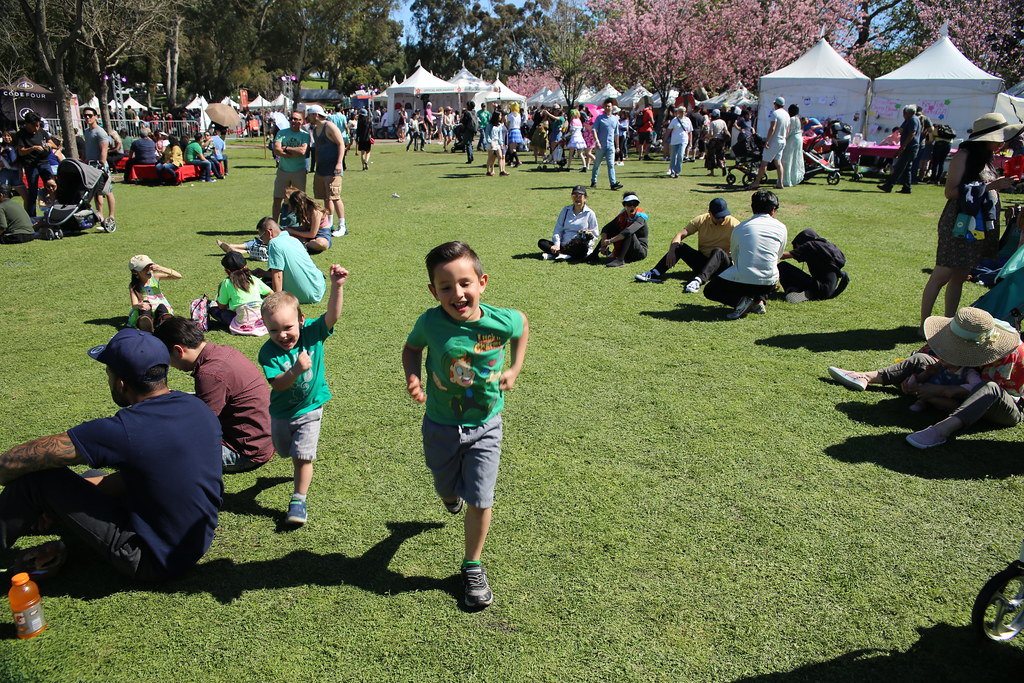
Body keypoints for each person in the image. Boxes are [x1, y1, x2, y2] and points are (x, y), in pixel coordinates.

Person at [0, 328, 222, 581]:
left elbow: (14, 461)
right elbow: (149, 479)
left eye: (108, 373)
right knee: (88, 477)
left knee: (38, 480)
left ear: (121, 383)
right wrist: (54, 503)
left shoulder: (124, 430)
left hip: (151, 558)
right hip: (191, 543)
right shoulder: (196, 408)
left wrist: (34, 490)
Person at [402, 241, 529, 608]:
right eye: (446, 287)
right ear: (433, 291)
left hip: (487, 425)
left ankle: (472, 565)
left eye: (464, 283)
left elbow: (522, 324)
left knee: (480, 496)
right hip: (440, 425)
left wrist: (515, 368)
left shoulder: (499, 320)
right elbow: (412, 348)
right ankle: (449, 496)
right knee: (445, 486)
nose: (457, 294)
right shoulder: (429, 322)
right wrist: (413, 378)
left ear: (482, 282)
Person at [827, 307, 1024, 449]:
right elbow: (929, 356)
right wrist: (915, 377)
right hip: (957, 383)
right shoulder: (962, 330)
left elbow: (988, 393)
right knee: (921, 359)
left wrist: (940, 391)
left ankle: (942, 430)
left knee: (988, 387)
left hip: (1002, 407)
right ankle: (866, 377)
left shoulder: (1008, 352)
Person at [259, 264, 348, 524]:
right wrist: (296, 370)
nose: (282, 335)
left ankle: (299, 501)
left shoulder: (311, 332)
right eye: (273, 330)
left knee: (302, 457)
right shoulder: (268, 352)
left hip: (310, 409)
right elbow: (278, 385)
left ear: (301, 320)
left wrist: (337, 286)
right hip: (281, 413)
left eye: (287, 327)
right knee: (284, 450)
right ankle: (296, 472)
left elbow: (332, 316)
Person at [919, 113, 1023, 334]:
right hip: (959, 223)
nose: (1002, 142)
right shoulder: (963, 155)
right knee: (941, 275)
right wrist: (991, 185)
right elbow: (950, 192)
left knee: (959, 276)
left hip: (976, 226)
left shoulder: (985, 157)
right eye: (999, 137)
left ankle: (949, 324)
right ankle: (923, 324)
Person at [154, 317, 275, 473]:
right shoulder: (222, 352)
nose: (171, 366)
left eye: (168, 359)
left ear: (178, 350)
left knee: (166, 452)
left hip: (246, 451)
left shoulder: (210, 374)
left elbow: (200, 426)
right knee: (178, 399)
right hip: (264, 438)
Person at [703, 190, 787, 319]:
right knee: (764, 270)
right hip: (770, 282)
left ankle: (742, 302)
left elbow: (736, 257)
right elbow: (778, 255)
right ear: (773, 210)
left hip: (745, 279)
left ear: (753, 208)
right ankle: (759, 301)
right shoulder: (781, 227)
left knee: (710, 290)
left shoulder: (741, 228)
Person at [635, 197, 740, 291]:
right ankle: (655, 273)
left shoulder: (734, 224)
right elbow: (680, 235)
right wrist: (672, 251)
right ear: (710, 213)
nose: (721, 219)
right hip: (703, 261)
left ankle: (698, 280)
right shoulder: (701, 220)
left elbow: (744, 245)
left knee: (717, 251)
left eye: (723, 216)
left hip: (722, 266)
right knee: (679, 246)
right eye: (717, 216)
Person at [258, 217, 326, 304]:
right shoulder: (294, 239)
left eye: (262, 237)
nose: (263, 241)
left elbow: (278, 276)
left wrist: (276, 302)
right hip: (319, 288)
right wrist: (264, 273)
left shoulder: (274, 243)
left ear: (269, 232)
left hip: (305, 295)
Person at [304, 105, 347, 238]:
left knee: (335, 196)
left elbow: (341, 144)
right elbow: (317, 148)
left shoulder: (330, 126)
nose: (308, 118)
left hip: (333, 168)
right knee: (326, 198)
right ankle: (329, 224)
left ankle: (342, 226)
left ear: (316, 114)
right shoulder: (316, 129)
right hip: (321, 168)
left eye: (309, 115)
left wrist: (339, 163)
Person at [209, 251, 272, 335]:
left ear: (227, 270)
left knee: (213, 308)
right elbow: (271, 293)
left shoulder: (226, 283)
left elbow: (221, 306)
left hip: (241, 320)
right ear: (245, 266)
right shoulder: (253, 279)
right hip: (260, 319)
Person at [778, 229, 849, 302]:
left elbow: (784, 256)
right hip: (828, 290)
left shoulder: (810, 245)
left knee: (783, 266)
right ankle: (806, 292)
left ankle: (796, 290)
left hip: (818, 287)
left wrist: (769, 253)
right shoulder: (829, 246)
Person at [586, 191, 649, 267]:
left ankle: (620, 260)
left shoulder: (640, 217)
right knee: (613, 228)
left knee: (628, 233)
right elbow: (607, 228)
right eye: (629, 204)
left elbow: (628, 231)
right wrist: (603, 242)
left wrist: (609, 241)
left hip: (639, 252)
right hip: (626, 250)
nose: (632, 207)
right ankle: (594, 255)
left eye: (635, 204)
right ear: (624, 205)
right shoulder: (622, 215)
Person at [538, 185, 599, 261]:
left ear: (585, 198)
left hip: (579, 245)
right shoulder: (566, 210)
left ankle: (556, 254)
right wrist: (557, 245)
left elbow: (595, 234)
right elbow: (558, 229)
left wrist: (588, 244)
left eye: (580, 195)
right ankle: (563, 254)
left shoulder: (590, 213)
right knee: (542, 242)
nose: (577, 197)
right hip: (563, 245)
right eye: (574, 195)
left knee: (582, 249)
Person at [81, 107, 118, 229]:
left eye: (90, 115)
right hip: (91, 165)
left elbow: (104, 149)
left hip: (100, 166)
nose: (87, 117)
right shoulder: (87, 132)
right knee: (97, 193)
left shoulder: (100, 132)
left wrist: (101, 164)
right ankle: (100, 216)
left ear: (95, 116)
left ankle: (111, 216)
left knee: (107, 191)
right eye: (85, 115)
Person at [15, 111, 56, 218]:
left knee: (52, 186)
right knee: (33, 191)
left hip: (44, 163)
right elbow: (21, 151)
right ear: (27, 124)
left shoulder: (42, 132)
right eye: (34, 126)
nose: (36, 128)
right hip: (30, 165)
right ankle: (32, 217)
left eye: (38, 125)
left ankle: (55, 212)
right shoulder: (21, 135)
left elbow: (53, 144)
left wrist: (49, 144)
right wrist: (33, 148)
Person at [272, 111, 311, 220]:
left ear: (301, 121)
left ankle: (302, 221)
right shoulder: (281, 133)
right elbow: (276, 150)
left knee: (300, 199)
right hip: (283, 171)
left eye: (296, 119)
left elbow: (303, 151)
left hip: (299, 171)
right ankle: (274, 223)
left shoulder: (305, 135)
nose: (293, 121)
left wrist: (286, 148)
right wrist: (291, 153)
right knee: (277, 198)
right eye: (291, 119)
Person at [128, 254, 181, 332]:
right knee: (146, 306)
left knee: (162, 307)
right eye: (144, 268)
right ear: (136, 272)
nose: (148, 270)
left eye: (149, 267)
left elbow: (178, 276)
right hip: (146, 308)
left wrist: (160, 268)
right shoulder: (134, 286)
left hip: (158, 307)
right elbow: (134, 305)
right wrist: (139, 305)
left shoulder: (155, 277)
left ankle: (164, 320)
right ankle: (146, 323)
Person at [877, 105, 921, 194]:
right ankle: (907, 187)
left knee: (899, 167)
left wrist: (903, 147)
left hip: (910, 147)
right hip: (910, 147)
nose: (903, 115)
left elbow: (912, 134)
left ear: (908, 113)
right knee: (907, 168)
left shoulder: (913, 120)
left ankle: (889, 185)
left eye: (904, 113)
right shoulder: (908, 120)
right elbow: (900, 129)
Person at [751, 97, 789, 190]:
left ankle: (756, 183)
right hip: (782, 140)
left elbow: (772, 128)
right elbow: (788, 129)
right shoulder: (786, 114)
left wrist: (767, 140)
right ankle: (780, 183)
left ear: (776, 104)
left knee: (764, 162)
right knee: (778, 162)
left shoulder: (775, 113)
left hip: (774, 140)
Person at [282, 188, 331, 254]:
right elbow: (305, 228)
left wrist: (293, 231)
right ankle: (303, 245)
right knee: (286, 236)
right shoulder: (303, 211)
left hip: (321, 235)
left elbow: (312, 234)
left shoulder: (316, 212)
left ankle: (303, 245)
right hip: (307, 235)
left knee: (321, 243)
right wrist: (288, 229)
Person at [590, 98, 623, 191]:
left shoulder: (615, 119)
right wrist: (597, 141)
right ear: (604, 107)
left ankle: (613, 183)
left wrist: (617, 146)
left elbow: (616, 133)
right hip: (601, 145)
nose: (608, 108)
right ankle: (594, 180)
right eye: (606, 106)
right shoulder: (600, 118)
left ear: (612, 107)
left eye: (609, 106)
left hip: (610, 145)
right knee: (597, 164)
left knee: (611, 164)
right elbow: (594, 130)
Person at [781, 104, 804, 187]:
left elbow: (788, 131)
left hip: (792, 140)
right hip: (798, 139)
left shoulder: (791, 119)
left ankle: (787, 180)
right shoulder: (797, 119)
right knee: (795, 159)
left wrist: (783, 138)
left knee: (787, 160)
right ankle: (794, 178)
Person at [665, 107, 691, 179]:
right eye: (681, 111)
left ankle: (677, 171)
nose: (683, 113)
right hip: (674, 140)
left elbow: (690, 131)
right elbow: (669, 130)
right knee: (673, 156)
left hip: (683, 139)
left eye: (684, 111)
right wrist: (665, 138)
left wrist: (690, 142)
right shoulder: (674, 120)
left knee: (680, 155)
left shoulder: (687, 120)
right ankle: (672, 171)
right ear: (678, 112)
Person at [486, 110, 508, 177]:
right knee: (490, 157)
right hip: (492, 142)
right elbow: (487, 134)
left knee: (500, 156)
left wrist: (501, 143)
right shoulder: (490, 125)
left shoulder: (499, 125)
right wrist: (490, 142)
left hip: (497, 142)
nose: (501, 117)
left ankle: (501, 171)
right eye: (500, 115)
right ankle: (488, 170)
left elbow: (500, 135)